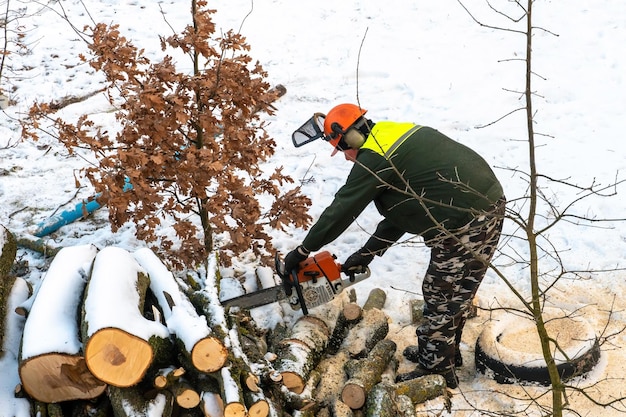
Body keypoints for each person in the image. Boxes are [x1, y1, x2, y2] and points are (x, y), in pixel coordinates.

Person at [283, 103, 505, 389]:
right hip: (486, 204)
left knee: (441, 291)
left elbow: (342, 209)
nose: (348, 159)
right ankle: (442, 353)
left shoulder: (374, 158)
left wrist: (303, 250)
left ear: (350, 139)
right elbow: (406, 209)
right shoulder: (390, 135)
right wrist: (368, 253)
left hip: (464, 220)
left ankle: (436, 368)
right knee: (458, 289)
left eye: (343, 151)